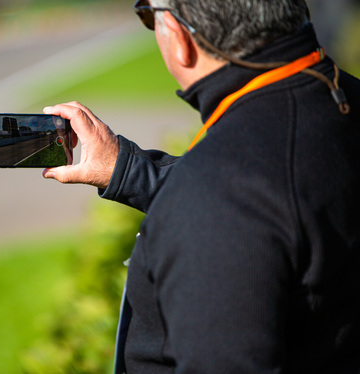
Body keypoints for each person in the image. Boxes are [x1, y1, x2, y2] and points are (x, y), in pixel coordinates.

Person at [43, 0, 360, 372]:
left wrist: (200, 194)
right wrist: (125, 170)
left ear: (179, 37)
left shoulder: (217, 200)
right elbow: (271, 195)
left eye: (148, 15)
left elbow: (242, 201)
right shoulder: (335, 96)